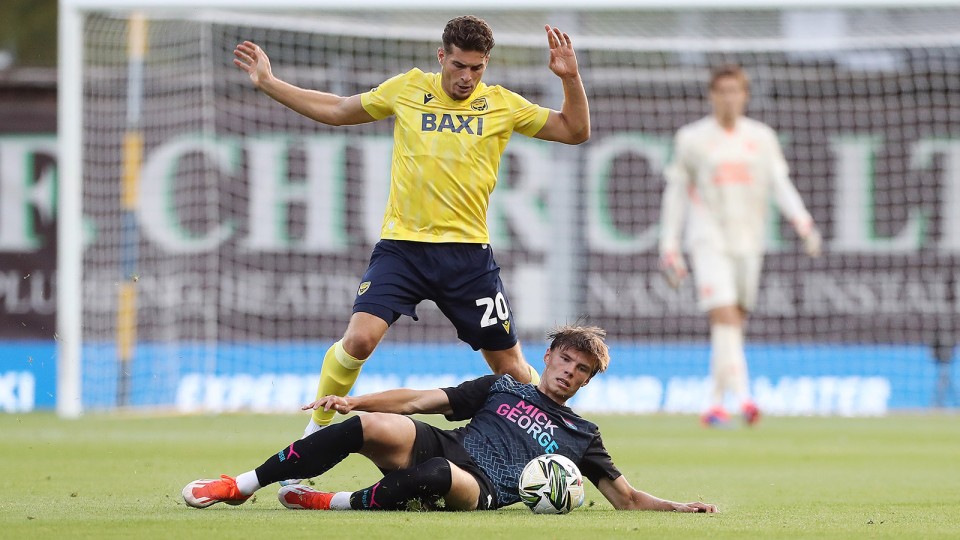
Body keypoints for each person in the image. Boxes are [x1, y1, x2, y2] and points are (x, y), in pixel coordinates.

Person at [232, 16, 590, 440]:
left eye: (477, 68)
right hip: (403, 249)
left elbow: (574, 130)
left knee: (510, 369)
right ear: (442, 57)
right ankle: (314, 431)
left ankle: (550, 436)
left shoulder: (502, 104)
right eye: (459, 65)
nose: (467, 77)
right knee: (360, 341)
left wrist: (570, 78)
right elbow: (337, 110)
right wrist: (270, 82)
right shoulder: (408, 88)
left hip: (467, 257)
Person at [182, 325, 718, 513]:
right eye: (565, 360)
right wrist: (357, 401)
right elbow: (419, 400)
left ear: (585, 382)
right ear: (549, 355)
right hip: (445, 445)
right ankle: (242, 484)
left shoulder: (582, 435)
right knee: (367, 428)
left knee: (437, 479)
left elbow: (625, 498)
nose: (568, 373)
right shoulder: (505, 384)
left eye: (580, 371)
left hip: (479, 487)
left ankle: (331, 501)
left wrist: (678, 505)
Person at [658, 64, 822, 427]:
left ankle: (714, 403)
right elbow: (676, 194)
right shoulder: (692, 138)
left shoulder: (761, 137)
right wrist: (669, 244)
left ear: (745, 95)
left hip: (749, 241)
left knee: (733, 321)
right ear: (712, 95)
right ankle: (745, 397)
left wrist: (804, 223)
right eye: (722, 91)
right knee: (724, 314)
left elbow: (781, 184)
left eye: (735, 91)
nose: (729, 98)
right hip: (707, 238)